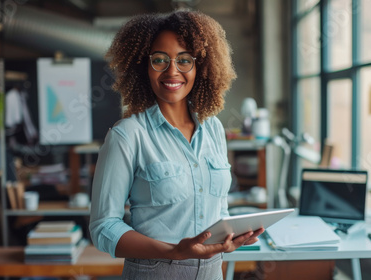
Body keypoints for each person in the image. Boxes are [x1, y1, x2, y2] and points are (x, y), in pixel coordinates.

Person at [89, 10, 264, 280]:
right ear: (143, 67)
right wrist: (174, 251)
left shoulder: (214, 129)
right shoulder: (127, 136)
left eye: (184, 60)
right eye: (159, 59)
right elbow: (103, 228)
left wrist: (230, 237)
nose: (172, 71)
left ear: (201, 66)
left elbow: (219, 210)